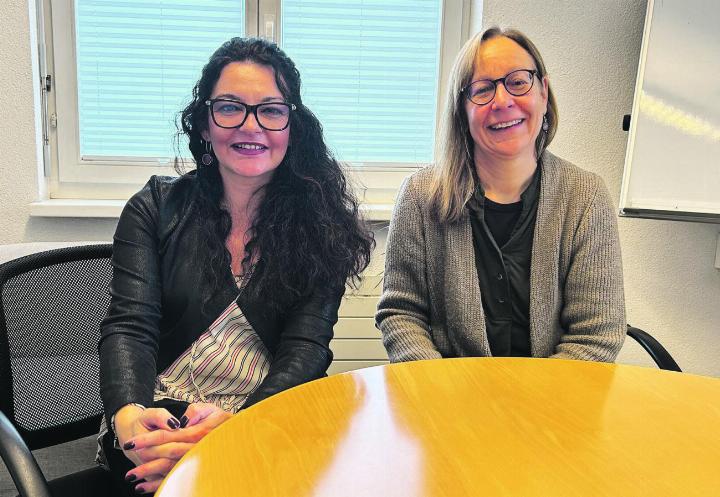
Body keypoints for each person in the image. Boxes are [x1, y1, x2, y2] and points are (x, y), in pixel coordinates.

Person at [98, 37, 374, 495]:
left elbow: (305, 350)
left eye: (270, 110)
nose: (251, 126)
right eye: (230, 108)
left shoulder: (324, 225)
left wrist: (238, 429)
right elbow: (130, 327)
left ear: (292, 126)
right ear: (205, 124)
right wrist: (128, 416)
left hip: (266, 415)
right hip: (157, 419)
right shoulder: (155, 207)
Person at [376, 27, 625, 364]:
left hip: (553, 402)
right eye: (482, 90)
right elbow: (402, 315)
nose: (503, 101)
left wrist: (528, 406)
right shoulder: (421, 196)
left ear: (543, 92)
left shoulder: (585, 197)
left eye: (518, 82)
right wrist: (439, 390)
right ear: (461, 110)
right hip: (447, 400)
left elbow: (596, 335)